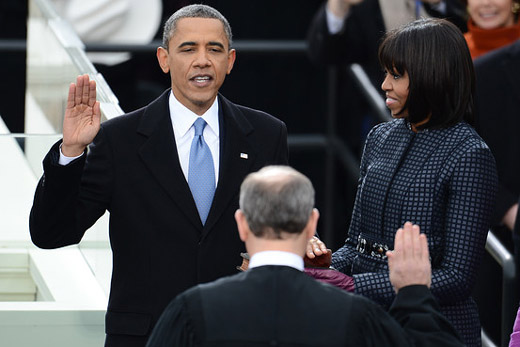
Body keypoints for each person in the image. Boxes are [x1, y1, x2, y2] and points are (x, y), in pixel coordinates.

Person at [29, 4, 288, 347]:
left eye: (214, 49)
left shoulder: (266, 135)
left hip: (239, 331)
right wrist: (71, 152)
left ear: (230, 60)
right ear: (164, 59)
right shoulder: (119, 139)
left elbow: (280, 238)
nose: (202, 60)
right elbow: (51, 233)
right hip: (147, 336)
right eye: (188, 48)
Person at [307, 18, 497, 346]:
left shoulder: (470, 153)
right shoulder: (380, 136)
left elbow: (456, 278)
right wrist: (325, 265)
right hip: (366, 323)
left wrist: (352, 286)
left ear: (430, 76)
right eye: (385, 73)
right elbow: (357, 244)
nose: (383, 85)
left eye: (396, 75)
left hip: (435, 331)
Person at [146, 165, 464, 347]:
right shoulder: (357, 317)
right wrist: (413, 294)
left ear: (241, 223)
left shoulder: (190, 312)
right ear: (312, 222)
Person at [306, 0, 467, 156]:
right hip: (388, 123)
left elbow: (467, 30)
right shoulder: (367, 6)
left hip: (450, 115)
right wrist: (338, 4)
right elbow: (325, 52)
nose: (387, 84)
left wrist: (438, 4)